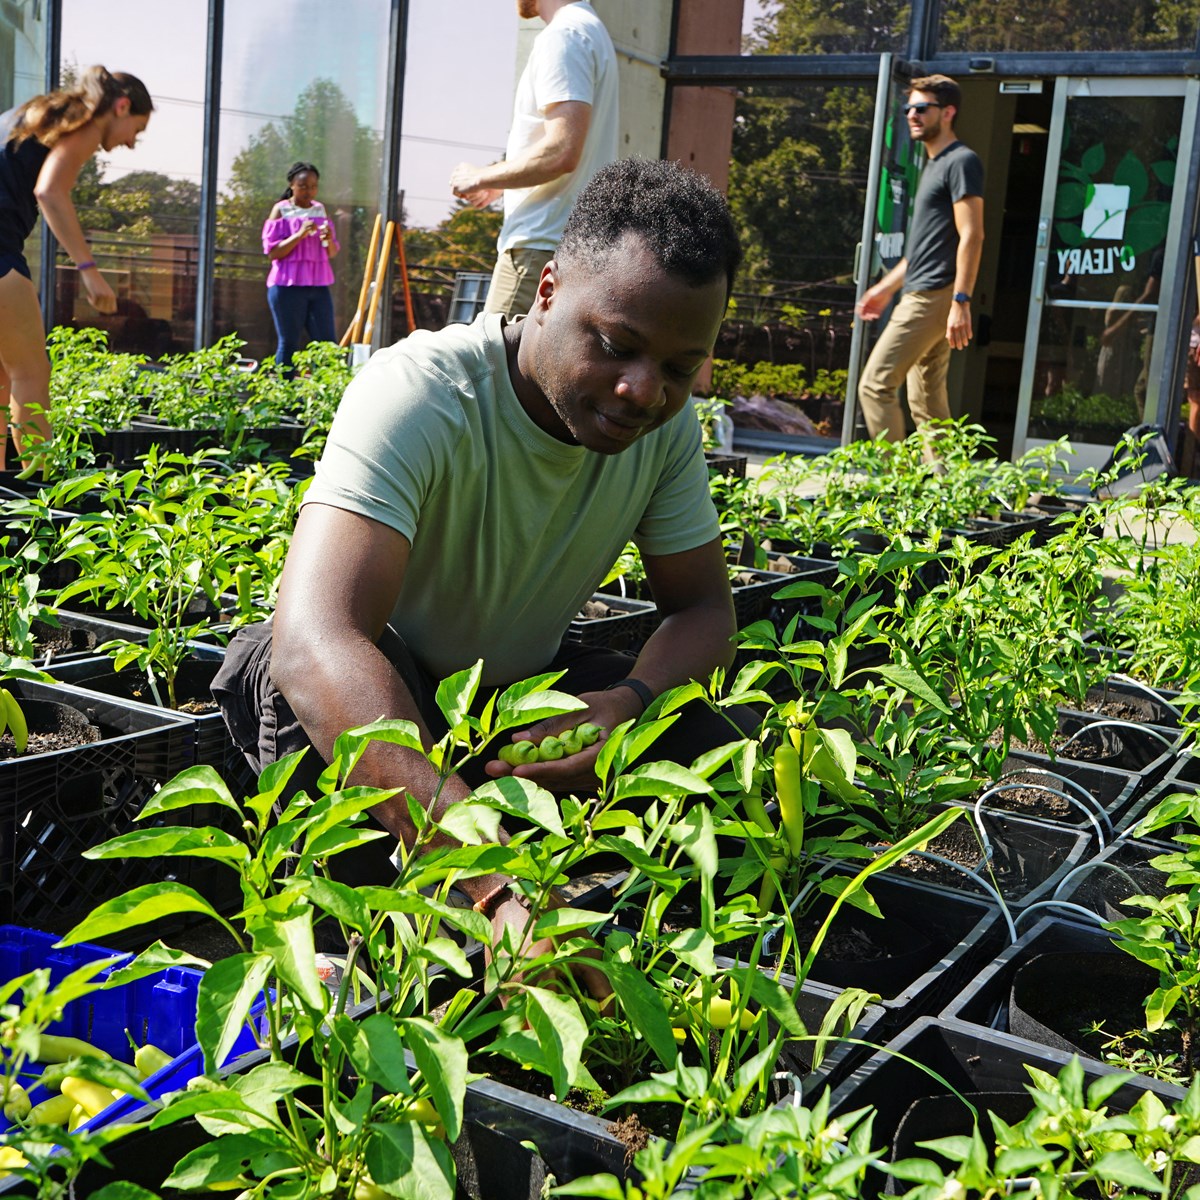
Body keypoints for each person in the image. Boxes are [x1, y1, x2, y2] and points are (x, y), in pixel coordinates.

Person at [214, 158, 749, 978]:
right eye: (616, 345)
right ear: (545, 290)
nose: (645, 391)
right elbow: (314, 641)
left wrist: (624, 706)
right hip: (368, 708)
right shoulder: (422, 393)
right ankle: (349, 953)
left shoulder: (664, 432)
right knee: (310, 697)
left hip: (502, 713)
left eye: (680, 369)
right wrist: (493, 883)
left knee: (702, 735)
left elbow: (703, 611)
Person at [0, 66, 152, 471]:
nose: (132, 143)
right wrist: (88, 269)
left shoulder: (35, 115)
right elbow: (49, 191)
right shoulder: (82, 121)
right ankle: (43, 496)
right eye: (136, 128)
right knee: (31, 373)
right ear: (120, 107)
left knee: (3, 376)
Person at [449, 0, 618, 320]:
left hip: (539, 247)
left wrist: (480, 176)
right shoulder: (589, 30)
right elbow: (564, 147)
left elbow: (562, 151)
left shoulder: (565, 35)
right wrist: (501, 183)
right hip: (572, 245)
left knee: (493, 363)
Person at [856, 74, 984, 447]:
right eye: (909, 108)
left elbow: (972, 234)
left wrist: (961, 300)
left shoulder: (961, 162)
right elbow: (922, 251)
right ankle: (946, 490)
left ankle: (890, 486)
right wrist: (884, 289)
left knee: (875, 385)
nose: (912, 114)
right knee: (926, 399)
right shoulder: (932, 164)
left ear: (947, 112)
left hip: (934, 294)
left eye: (921, 108)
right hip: (922, 289)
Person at [262, 161, 339, 370]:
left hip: (318, 286)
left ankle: (325, 393)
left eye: (313, 186)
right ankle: (284, 397)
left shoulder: (320, 209)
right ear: (292, 184)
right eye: (303, 186)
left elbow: (331, 252)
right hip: (287, 287)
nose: (309, 191)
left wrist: (329, 238)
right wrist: (299, 234)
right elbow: (273, 253)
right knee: (289, 343)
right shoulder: (281, 210)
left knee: (327, 344)